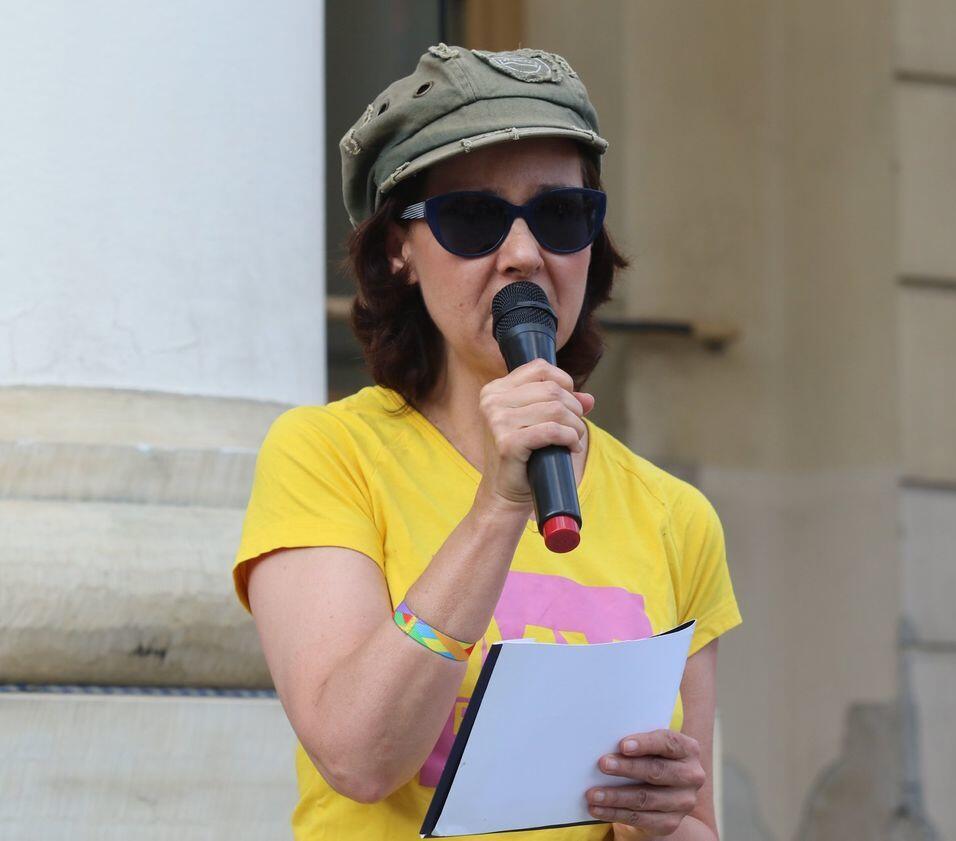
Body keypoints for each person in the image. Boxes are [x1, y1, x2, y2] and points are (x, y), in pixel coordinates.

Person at [231, 44, 742, 840]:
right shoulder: (328, 455)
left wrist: (658, 815)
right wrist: (500, 504)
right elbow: (358, 757)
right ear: (398, 249)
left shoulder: (677, 516)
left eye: (561, 215)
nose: (524, 254)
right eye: (472, 219)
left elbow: (698, 825)